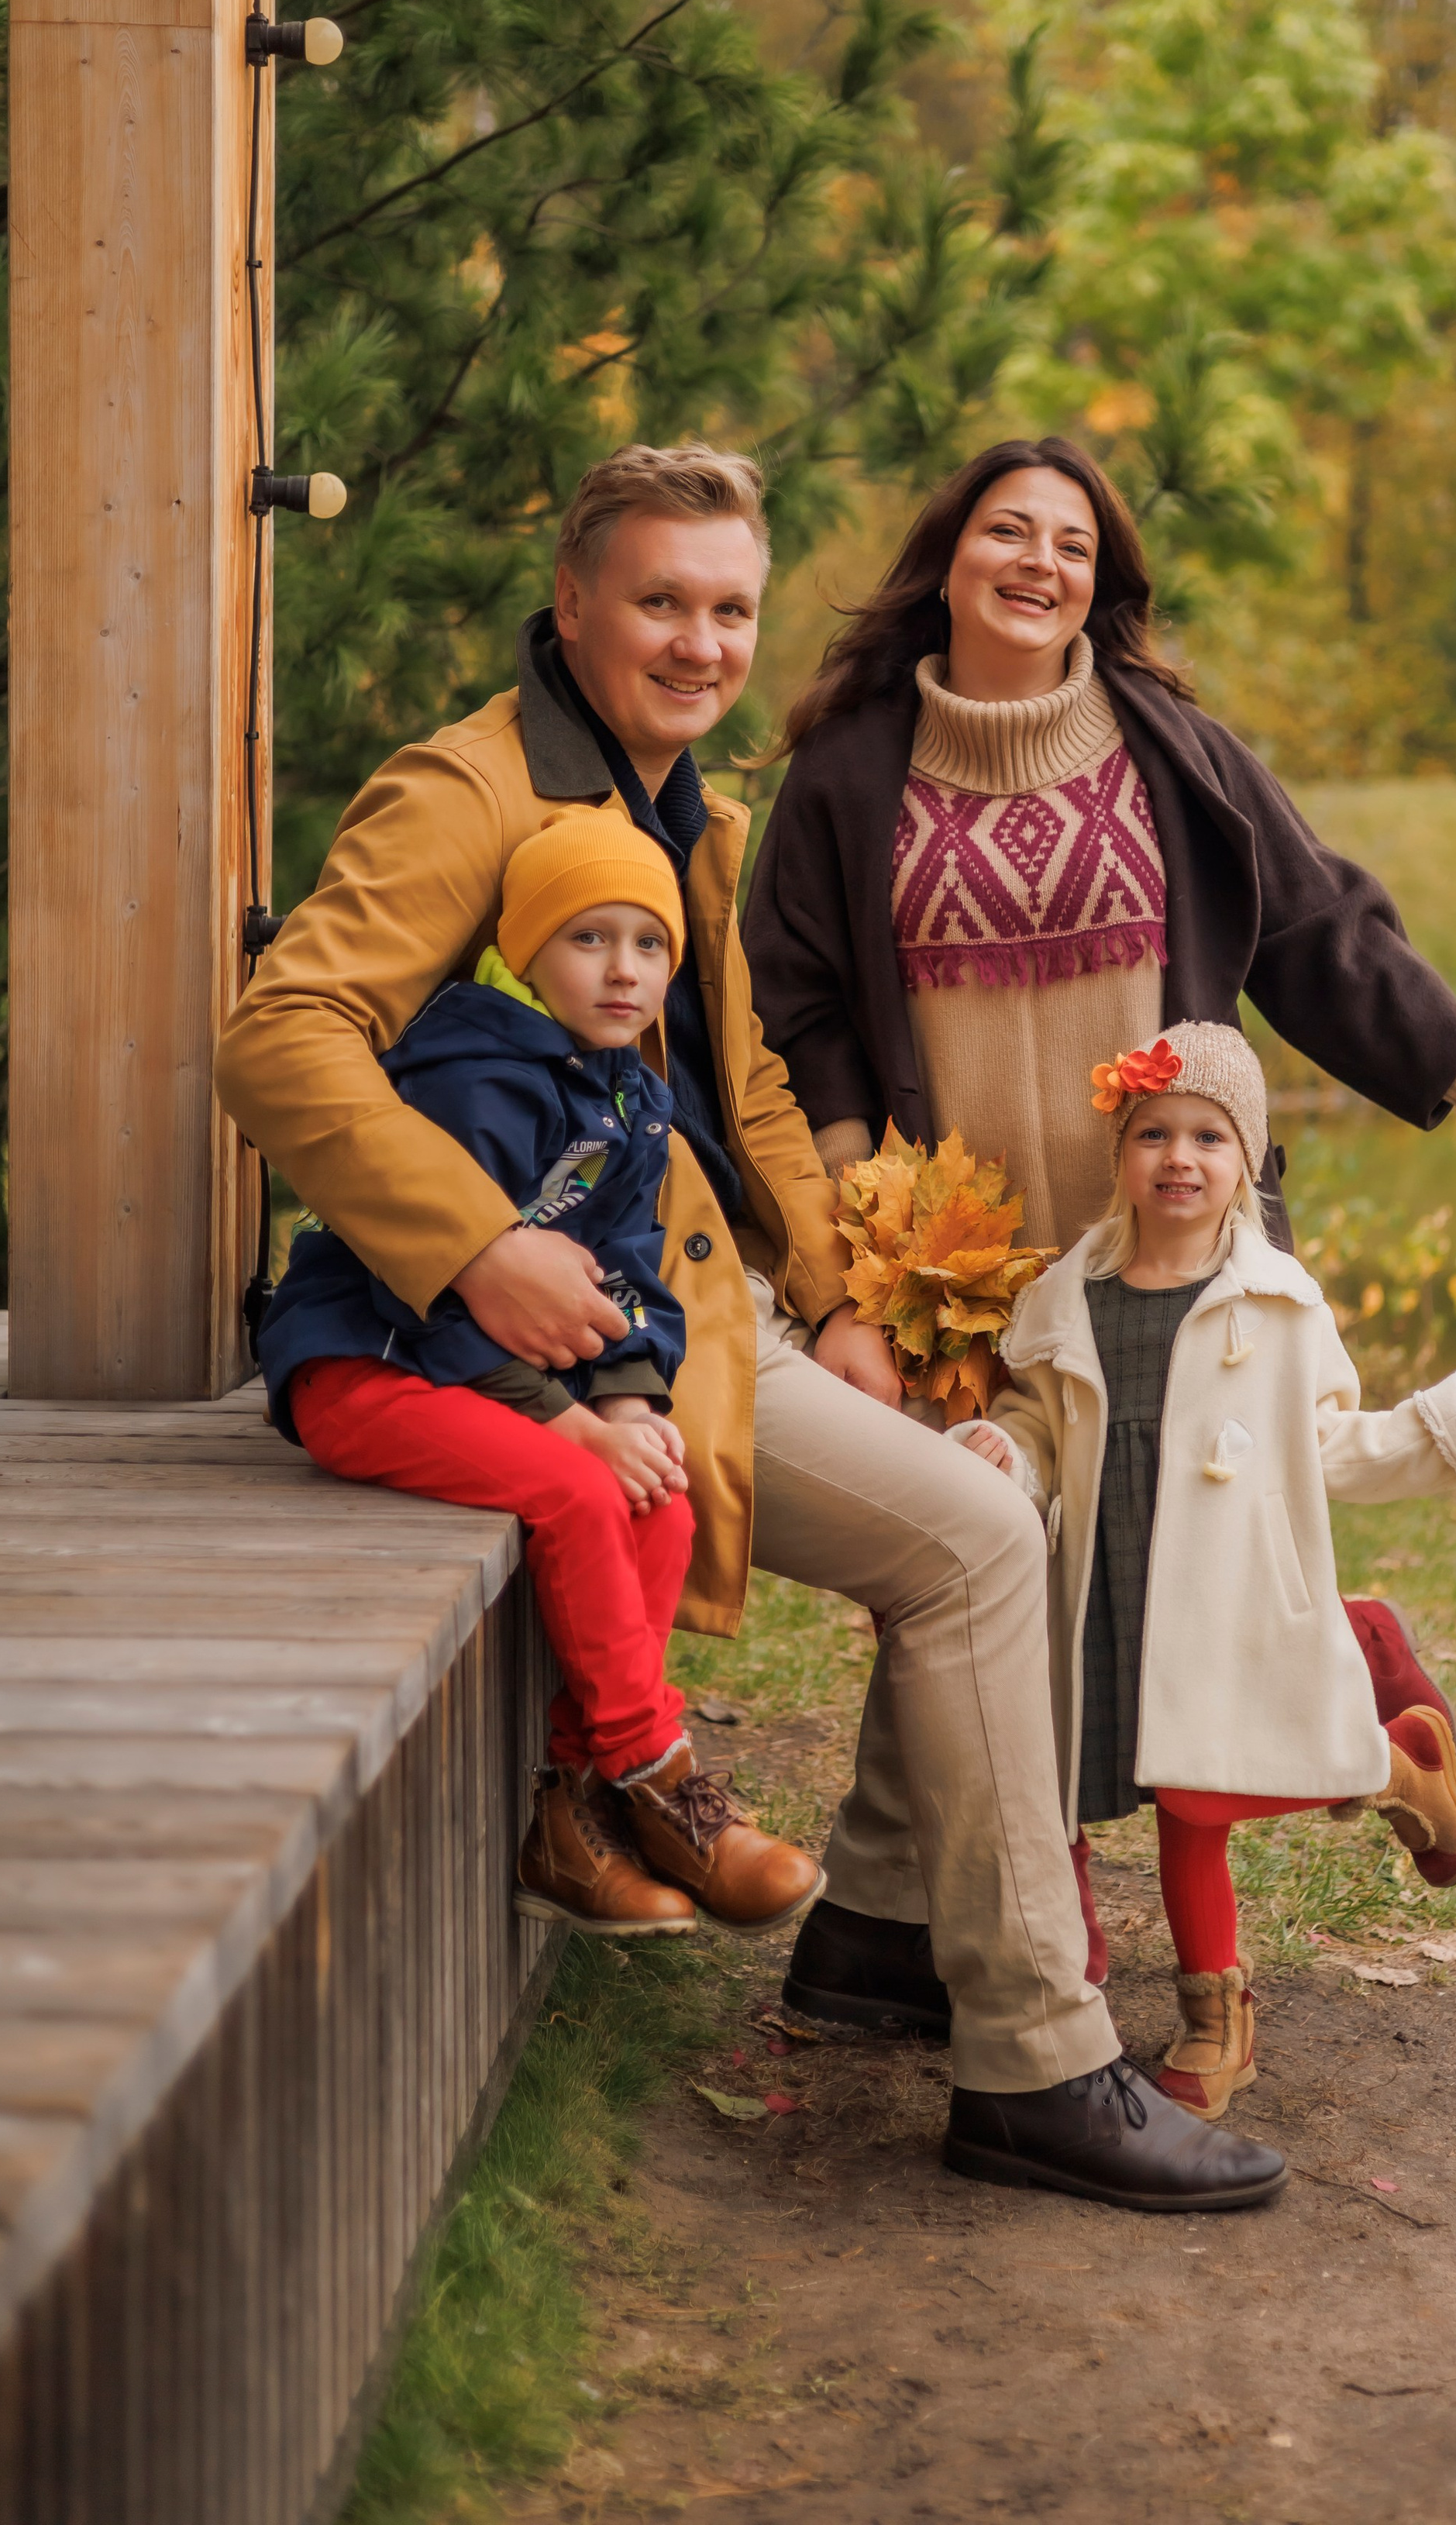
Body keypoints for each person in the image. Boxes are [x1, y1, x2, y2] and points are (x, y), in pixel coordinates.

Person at [216, 441, 1285, 2213]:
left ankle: (873, 1933)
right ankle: (1034, 2051)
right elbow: (283, 1036)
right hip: (562, 1345)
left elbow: (757, 1097)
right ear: (571, 607)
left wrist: (841, 1301)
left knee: (985, 1478)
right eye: (658, 602)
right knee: (972, 1538)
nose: (698, 643)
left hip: (718, 1317)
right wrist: (478, 1247)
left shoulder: (690, 813)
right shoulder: (467, 791)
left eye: (728, 609)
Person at [741, 430, 1456, 1907]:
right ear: (949, 560)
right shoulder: (847, 773)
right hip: (960, 1265)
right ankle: (982, 1915)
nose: (1039, 564)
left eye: (1073, 547)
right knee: (998, 1582)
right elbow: (800, 1004)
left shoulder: (1167, 747)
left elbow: (1320, 927)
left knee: (1191, 1576)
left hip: (1170, 1241)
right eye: (1010, 534)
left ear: (1101, 588)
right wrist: (850, 1226)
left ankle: (1300, 1721)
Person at [256, 808, 821, 1941]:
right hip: (372, 1367)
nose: (624, 971)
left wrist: (623, 1393)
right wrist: (565, 1424)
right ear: (525, 951)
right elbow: (410, 1279)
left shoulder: (628, 1094)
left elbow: (626, 1273)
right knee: (575, 1491)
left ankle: (570, 1816)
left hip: (499, 1380)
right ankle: (654, 1774)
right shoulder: (472, 1081)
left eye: (649, 945)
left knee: (658, 1487)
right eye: (588, 940)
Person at [961, 1022, 1456, 2118]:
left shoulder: (1279, 1305)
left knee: (1203, 1794)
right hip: (1109, 1587)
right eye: (1154, 1135)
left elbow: (1332, 1445)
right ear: (1121, 1155)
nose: (1179, 1158)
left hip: (1227, 1593)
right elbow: (1036, 1421)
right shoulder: (1066, 1298)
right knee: (1148, 1791)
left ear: (1247, 1163)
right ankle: (1228, 1973)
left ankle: (1239, 1985)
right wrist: (1008, 1451)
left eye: (1210, 1138)